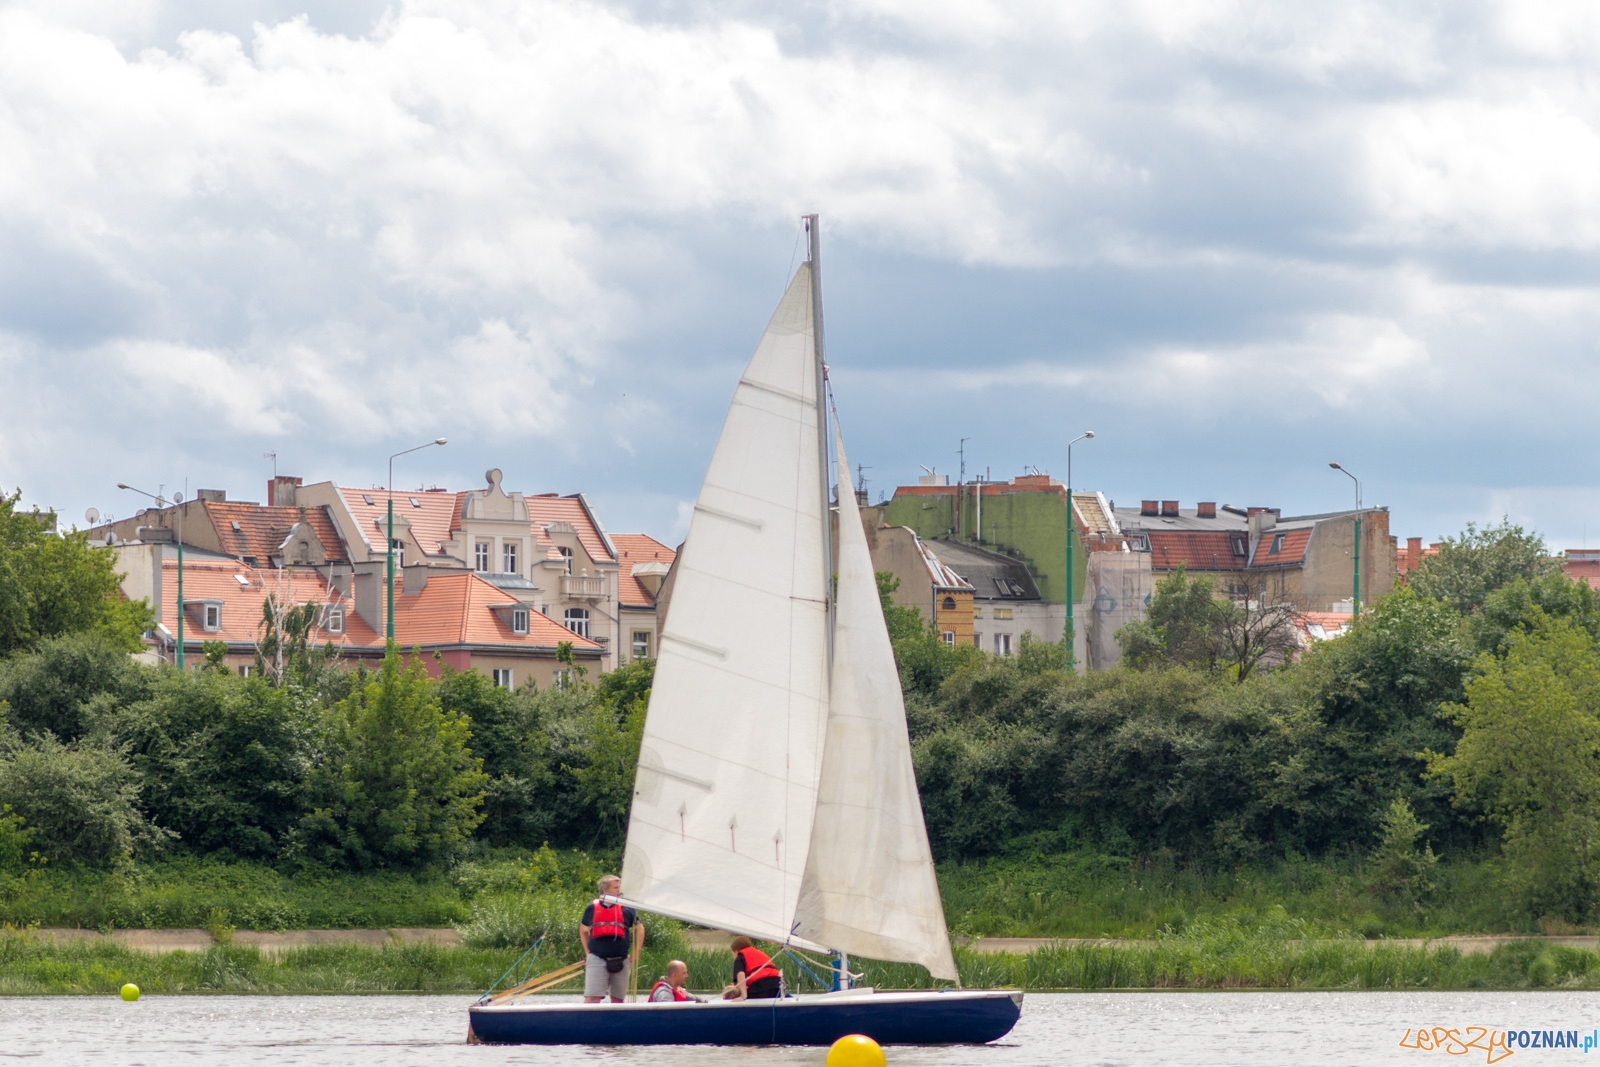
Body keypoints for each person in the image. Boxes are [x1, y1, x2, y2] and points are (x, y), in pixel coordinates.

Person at [580, 875, 643, 1004]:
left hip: (622, 960)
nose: (619, 890)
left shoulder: (627, 908)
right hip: (598, 958)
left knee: (618, 1000)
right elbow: (583, 930)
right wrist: (588, 952)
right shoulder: (592, 908)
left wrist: (636, 952)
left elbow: (640, 929)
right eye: (616, 888)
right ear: (605, 891)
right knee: (592, 999)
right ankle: (589, 1023)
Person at [722, 935, 783, 1000]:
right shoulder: (760, 953)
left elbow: (740, 974)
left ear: (736, 951)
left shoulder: (740, 956)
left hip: (759, 987)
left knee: (737, 997)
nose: (733, 957)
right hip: (777, 984)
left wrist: (743, 996)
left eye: (732, 954)